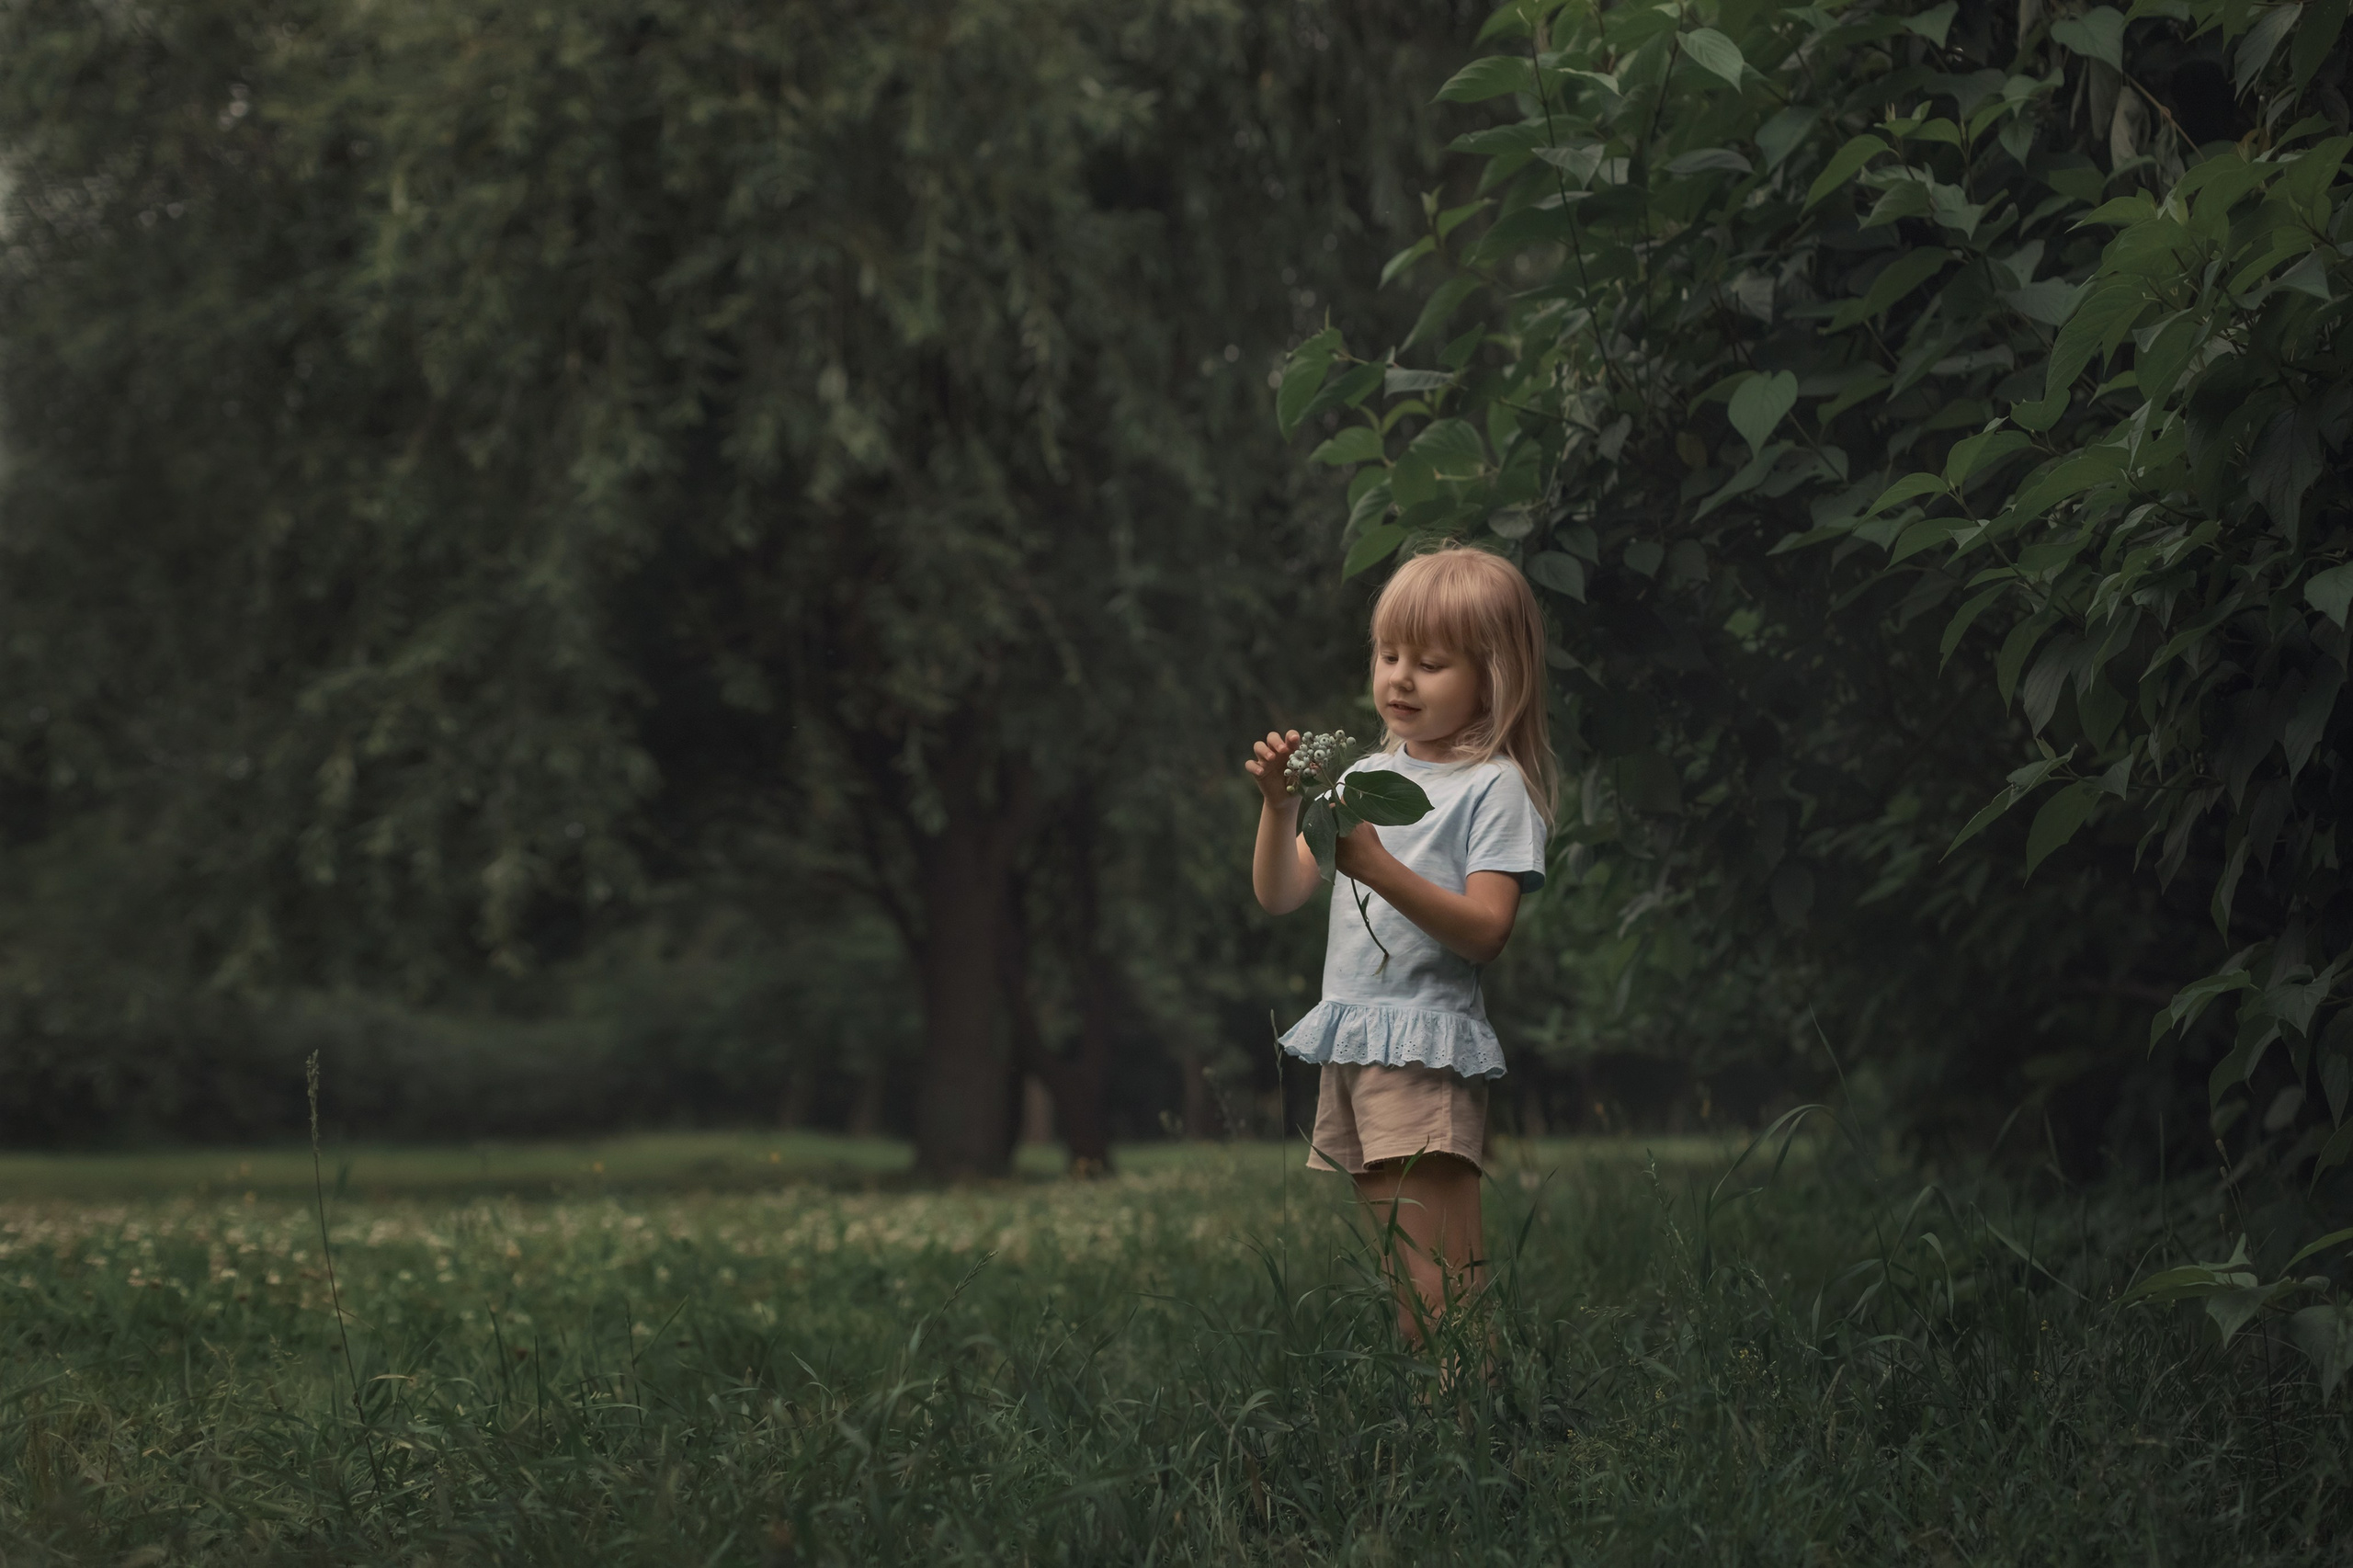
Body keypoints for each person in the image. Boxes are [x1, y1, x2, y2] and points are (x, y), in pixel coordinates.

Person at [1245, 543, 1556, 1345]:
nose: (1400, 678)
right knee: (1407, 1273)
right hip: (1358, 1039)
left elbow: (1487, 931)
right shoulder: (1359, 780)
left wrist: (1378, 867)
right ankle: (1448, 1431)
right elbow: (1282, 894)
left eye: (1431, 662)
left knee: (1437, 1278)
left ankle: (1468, 1426)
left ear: (1494, 676)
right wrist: (1281, 810)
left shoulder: (1494, 786)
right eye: (1389, 655)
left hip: (1421, 1044)